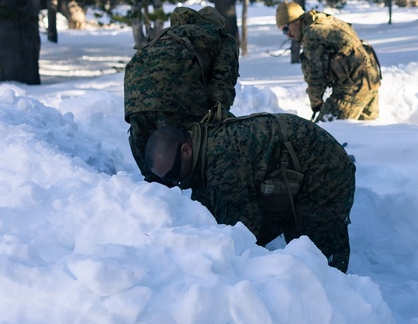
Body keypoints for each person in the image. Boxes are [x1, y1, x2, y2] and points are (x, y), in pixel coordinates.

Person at [145, 113, 355, 272]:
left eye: (173, 173)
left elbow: (243, 232)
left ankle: (339, 306)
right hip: (299, 169)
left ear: (186, 150)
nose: (175, 182)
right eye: (167, 180)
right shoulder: (202, 146)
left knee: (316, 257)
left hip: (326, 170)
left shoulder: (222, 163)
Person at [124, 5, 239, 184]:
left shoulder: (162, 35)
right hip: (180, 101)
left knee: (156, 177)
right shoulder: (219, 37)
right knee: (192, 170)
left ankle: (152, 206)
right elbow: (221, 88)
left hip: (135, 103)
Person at [276, 1, 382, 122]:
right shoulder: (327, 21)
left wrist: (316, 102)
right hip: (370, 80)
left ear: (296, 20)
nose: (287, 35)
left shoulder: (312, 34)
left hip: (351, 88)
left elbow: (315, 76)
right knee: (365, 134)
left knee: (324, 134)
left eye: (285, 29)